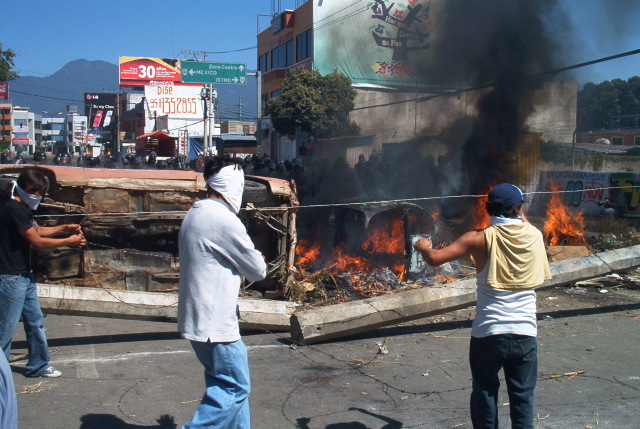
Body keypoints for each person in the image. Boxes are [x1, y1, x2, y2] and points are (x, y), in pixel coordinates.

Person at [413, 183, 551, 429]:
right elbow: (521, 219)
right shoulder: (534, 235)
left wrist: (421, 246)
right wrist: (516, 205)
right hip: (524, 334)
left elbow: (434, 258)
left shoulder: (477, 239)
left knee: (485, 393)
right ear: (518, 209)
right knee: (522, 397)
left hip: (488, 333)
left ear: (488, 209)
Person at [178, 156, 267, 428]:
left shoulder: (197, 211)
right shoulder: (223, 219)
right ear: (233, 185)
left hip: (200, 320)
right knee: (235, 389)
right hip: (215, 325)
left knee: (227, 387)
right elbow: (257, 270)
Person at [0, 169, 86, 378]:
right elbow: (37, 242)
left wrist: (64, 227)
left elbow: (36, 230)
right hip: (11, 277)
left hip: (23, 275)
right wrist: (69, 241)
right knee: (6, 329)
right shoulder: (13, 209)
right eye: (40, 193)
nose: (41, 197)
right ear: (30, 191)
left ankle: (38, 364)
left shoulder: (23, 208)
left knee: (35, 321)